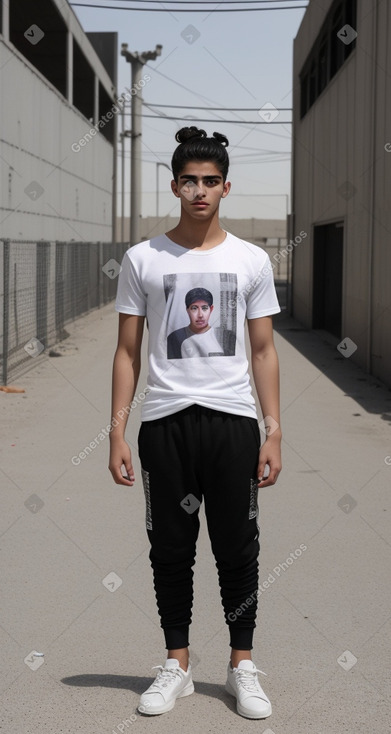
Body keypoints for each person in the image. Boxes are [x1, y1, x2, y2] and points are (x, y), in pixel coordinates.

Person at [109, 126, 282, 720]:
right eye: (190, 181)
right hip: (166, 425)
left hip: (234, 425)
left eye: (211, 181)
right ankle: (177, 666)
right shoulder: (144, 258)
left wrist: (274, 430)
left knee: (239, 548)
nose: (200, 191)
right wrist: (116, 431)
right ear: (176, 185)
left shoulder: (251, 259)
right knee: (171, 549)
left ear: (226, 187)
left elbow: (263, 351)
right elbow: (128, 352)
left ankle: (242, 667)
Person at [167, 287, 225, 358]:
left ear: (211, 309)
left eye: (204, 308)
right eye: (194, 308)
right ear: (187, 310)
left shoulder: (224, 337)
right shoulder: (174, 337)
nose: (200, 315)